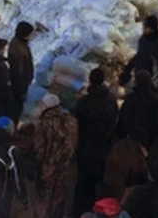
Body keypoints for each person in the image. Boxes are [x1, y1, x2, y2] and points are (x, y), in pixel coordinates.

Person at [74, 67, 118, 214]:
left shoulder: (83, 102)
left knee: (83, 182)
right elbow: (114, 121)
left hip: (85, 147)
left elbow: (76, 123)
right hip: (103, 147)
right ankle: (98, 210)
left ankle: (80, 212)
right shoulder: (111, 100)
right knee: (99, 181)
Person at [31, 92, 77, 218]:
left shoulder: (43, 124)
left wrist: (37, 166)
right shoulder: (71, 122)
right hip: (64, 168)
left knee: (44, 198)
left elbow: (39, 150)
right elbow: (72, 146)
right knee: (59, 198)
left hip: (47, 169)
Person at [7, 22, 34, 116]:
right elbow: (17, 70)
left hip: (24, 81)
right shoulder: (17, 48)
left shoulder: (21, 43)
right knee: (19, 105)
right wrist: (21, 89)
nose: (31, 36)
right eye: (29, 34)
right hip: (20, 84)